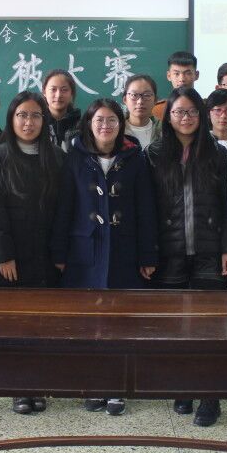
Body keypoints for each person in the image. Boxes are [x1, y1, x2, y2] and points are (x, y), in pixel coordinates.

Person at [51, 98, 157, 417]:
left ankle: (118, 386)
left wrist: (148, 254)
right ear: (89, 124)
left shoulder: (135, 158)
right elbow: (64, 208)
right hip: (84, 251)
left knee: (121, 322)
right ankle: (92, 383)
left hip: (124, 252)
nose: (105, 126)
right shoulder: (75, 158)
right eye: (99, 120)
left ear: (120, 125)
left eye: (112, 120)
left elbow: (146, 210)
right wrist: (59, 252)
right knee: (87, 322)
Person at [147, 87, 227, 427]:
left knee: (210, 328)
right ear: (168, 117)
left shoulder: (216, 153)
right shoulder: (154, 154)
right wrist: (149, 252)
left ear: (201, 116)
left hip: (209, 251)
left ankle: (210, 397)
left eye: (191, 112)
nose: (185, 118)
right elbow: (146, 208)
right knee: (177, 328)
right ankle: (184, 387)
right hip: (169, 254)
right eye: (178, 112)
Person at [0, 91, 64, 416]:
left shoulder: (57, 157)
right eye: (22, 115)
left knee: (42, 324)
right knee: (14, 325)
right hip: (10, 260)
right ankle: (17, 387)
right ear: (11, 119)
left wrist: (60, 252)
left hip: (45, 256)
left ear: (44, 120)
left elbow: (65, 209)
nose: (29, 122)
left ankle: (38, 384)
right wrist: (3, 255)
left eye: (35, 116)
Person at [152, 51, 199, 121]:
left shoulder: (207, 108)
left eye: (188, 73)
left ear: (196, 75)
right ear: (169, 76)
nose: (182, 79)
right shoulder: (158, 110)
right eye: (176, 74)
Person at [42, 69, 81, 151]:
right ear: (44, 92)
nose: (58, 95)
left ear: (71, 93)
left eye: (64, 90)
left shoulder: (81, 126)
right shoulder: (37, 124)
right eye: (53, 89)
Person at [121, 74, 161, 149]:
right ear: (125, 99)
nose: (140, 101)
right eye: (134, 95)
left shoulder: (164, 131)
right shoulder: (115, 130)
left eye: (147, 95)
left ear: (155, 100)